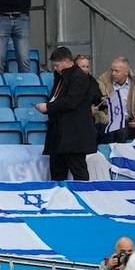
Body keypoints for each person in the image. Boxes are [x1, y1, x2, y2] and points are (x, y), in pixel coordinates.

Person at [35, 47, 95, 181]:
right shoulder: (61, 78)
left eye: (57, 65)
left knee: (79, 172)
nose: (55, 68)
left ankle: (84, 198)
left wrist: (48, 107)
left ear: (67, 62)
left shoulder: (79, 77)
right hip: (59, 135)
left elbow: (71, 101)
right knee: (57, 174)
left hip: (74, 137)